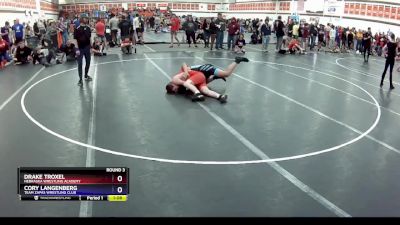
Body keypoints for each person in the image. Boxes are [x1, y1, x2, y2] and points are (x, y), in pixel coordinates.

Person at [74, 16, 92, 86]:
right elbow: (75, 39)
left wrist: (91, 47)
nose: (86, 19)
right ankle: (80, 79)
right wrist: (77, 49)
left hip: (87, 47)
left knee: (88, 62)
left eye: (87, 18)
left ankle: (86, 75)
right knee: (80, 64)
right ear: (81, 19)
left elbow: (90, 38)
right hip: (80, 48)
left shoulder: (88, 28)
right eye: (85, 18)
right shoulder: (77, 28)